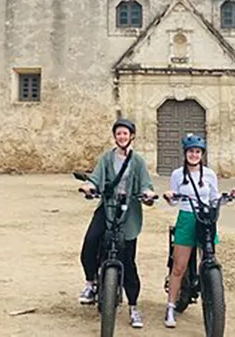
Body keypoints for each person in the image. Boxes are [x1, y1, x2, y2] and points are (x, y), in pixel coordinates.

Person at [77, 118, 157, 329]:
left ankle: (133, 306)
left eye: (125, 133)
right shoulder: (107, 158)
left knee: (128, 260)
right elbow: (96, 178)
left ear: (131, 136)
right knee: (90, 242)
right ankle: (90, 283)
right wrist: (89, 186)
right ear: (115, 136)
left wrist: (148, 193)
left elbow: (146, 183)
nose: (122, 137)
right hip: (108, 207)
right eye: (118, 133)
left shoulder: (137, 161)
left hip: (128, 212)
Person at [161, 133, 235, 329]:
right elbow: (174, 200)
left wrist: (229, 196)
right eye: (191, 151)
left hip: (206, 218)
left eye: (197, 152)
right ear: (185, 153)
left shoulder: (210, 174)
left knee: (209, 257)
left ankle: (212, 293)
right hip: (187, 218)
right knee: (179, 266)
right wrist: (170, 196)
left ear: (202, 154)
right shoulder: (178, 174)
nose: (194, 155)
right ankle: (171, 306)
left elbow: (214, 197)